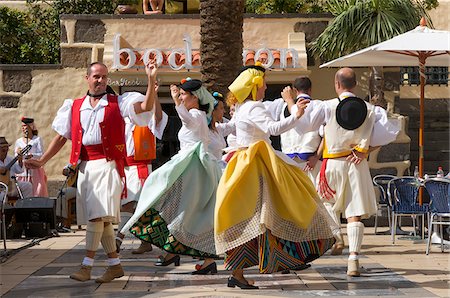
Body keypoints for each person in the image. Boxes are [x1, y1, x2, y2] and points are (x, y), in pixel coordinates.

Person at [24, 61, 159, 283]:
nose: (100, 80)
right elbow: (61, 137)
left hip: (108, 165)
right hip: (85, 167)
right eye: (96, 76)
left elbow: (144, 107)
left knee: (97, 216)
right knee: (102, 220)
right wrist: (41, 161)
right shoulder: (75, 106)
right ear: (87, 78)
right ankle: (115, 265)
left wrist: (151, 80)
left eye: (104, 77)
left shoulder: (120, 102)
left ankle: (86, 266)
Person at [214, 63, 337, 289]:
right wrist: (297, 112)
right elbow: (274, 129)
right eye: (263, 84)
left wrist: (214, 126)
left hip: (243, 163)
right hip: (257, 165)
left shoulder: (242, 107)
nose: (265, 88)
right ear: (255, 86)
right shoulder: (254, 108)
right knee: (281, 207)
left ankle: (241, 271)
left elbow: (231, 128)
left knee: (249, 217)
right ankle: (284, 256)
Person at [288, 67, 399, 277]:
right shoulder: (370, 109)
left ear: (337, 85)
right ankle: (354, 260)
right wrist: (364, 150)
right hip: (356, 164)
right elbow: (389, 134)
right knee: (354, 213)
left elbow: (304, 127)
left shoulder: (327, 106)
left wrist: (291, 104)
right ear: (355, 84)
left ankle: (336, 235)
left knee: (327, 202)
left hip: (332, 163)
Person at [122, 78, 222, 275]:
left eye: (184, 95)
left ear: (195, 97)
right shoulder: (198, 114)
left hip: (192, 168)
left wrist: (176, 102)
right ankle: (179, 253)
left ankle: (195, 256)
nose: (182, 97)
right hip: (190, 166)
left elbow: (188, 120)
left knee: (180, 209)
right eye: (182, 95)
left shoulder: (197, 114)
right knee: (183, 210)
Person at [115, 82, 168, 254]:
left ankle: (118, 238)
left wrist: (154, 94)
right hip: (125, 169)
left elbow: (159, 118)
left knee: (130, 206)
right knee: (137, 208)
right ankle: (149, 241)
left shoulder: (145, 121)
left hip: (140, 168)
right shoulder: (121, 121)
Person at [265, 77, 323, 186]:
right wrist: (317, 157)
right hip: (311, 162)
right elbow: (325, 134)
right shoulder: (318, 106)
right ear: (310, 90)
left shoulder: (282, 108)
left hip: (289, 160)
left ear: (295, 91)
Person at [14, 117, 48, 197]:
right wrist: (19, 155)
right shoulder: (18, 141)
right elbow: (16, 155)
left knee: (36, 188)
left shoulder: (37, 139)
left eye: (25, 126)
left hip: (34, 168)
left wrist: (32, 155)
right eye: (22, 126)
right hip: (23, 168)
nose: (23, 128)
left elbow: (41, 153)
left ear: (30, 127)